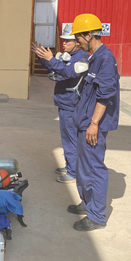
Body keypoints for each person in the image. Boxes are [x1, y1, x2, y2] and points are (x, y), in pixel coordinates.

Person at [32, 14, 120, 231]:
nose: (77, 42)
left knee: (93, 169)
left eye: (78, 38)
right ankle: (87, 204)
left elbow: (105, 95)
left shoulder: (105, 59)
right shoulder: (93, 58)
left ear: (89, 35)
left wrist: (94, 124)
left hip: (92, 126)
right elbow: (70, 73)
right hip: (84, 122)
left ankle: (97, 216)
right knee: (83, 168)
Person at [36, 25, 89, 184]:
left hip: (71, 104)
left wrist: (51, 59)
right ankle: (70, 166)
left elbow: (67, 73)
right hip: (66, 102)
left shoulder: (80, 58)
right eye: (63, 40)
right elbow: (55, 68)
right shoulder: (70, 56)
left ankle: (73, 172)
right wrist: (42, 57)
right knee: (68, 137)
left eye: (67, 41)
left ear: (77, 42)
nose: (63, 44)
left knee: (70, 139)